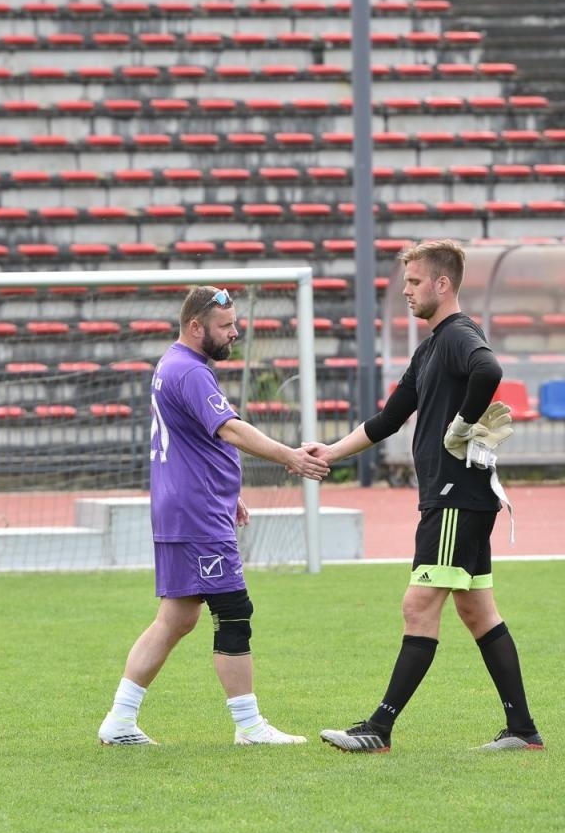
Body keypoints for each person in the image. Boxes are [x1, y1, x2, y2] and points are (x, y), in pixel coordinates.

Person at [311, 239, 539, 754]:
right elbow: (388, 420)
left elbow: (490, 370)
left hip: (456, 497)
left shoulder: (459, 334)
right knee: (478, 612)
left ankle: (379, 727)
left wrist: (462, 423)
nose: (406, 292)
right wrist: (329, 452)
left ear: (442, 284)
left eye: (414, 283)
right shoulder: (431, 346)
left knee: (418, 606)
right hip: (456, 496)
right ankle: (523, 730)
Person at [97, 285, 330, 747]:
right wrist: (290, 456)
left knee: (177, 617)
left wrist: (228, 493)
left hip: (185, 505)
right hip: (197, 512)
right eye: (226, 327)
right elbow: (228, 429)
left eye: (235, 325)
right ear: (196, 326)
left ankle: (119, 721)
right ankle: (249, 726)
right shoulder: (191, 372)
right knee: (233, 611)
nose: (234, 334)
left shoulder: (173, 364)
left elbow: (194, 441)